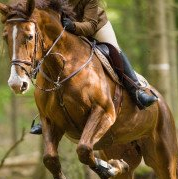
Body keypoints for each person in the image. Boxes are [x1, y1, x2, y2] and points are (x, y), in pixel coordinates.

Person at [30, 0, 158, 134]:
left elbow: (91, 25)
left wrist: (73, 26)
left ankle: (136, 91)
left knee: (114, 50)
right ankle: (46, 114)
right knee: (49, 55)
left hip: (95, 26)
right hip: (67, 30)